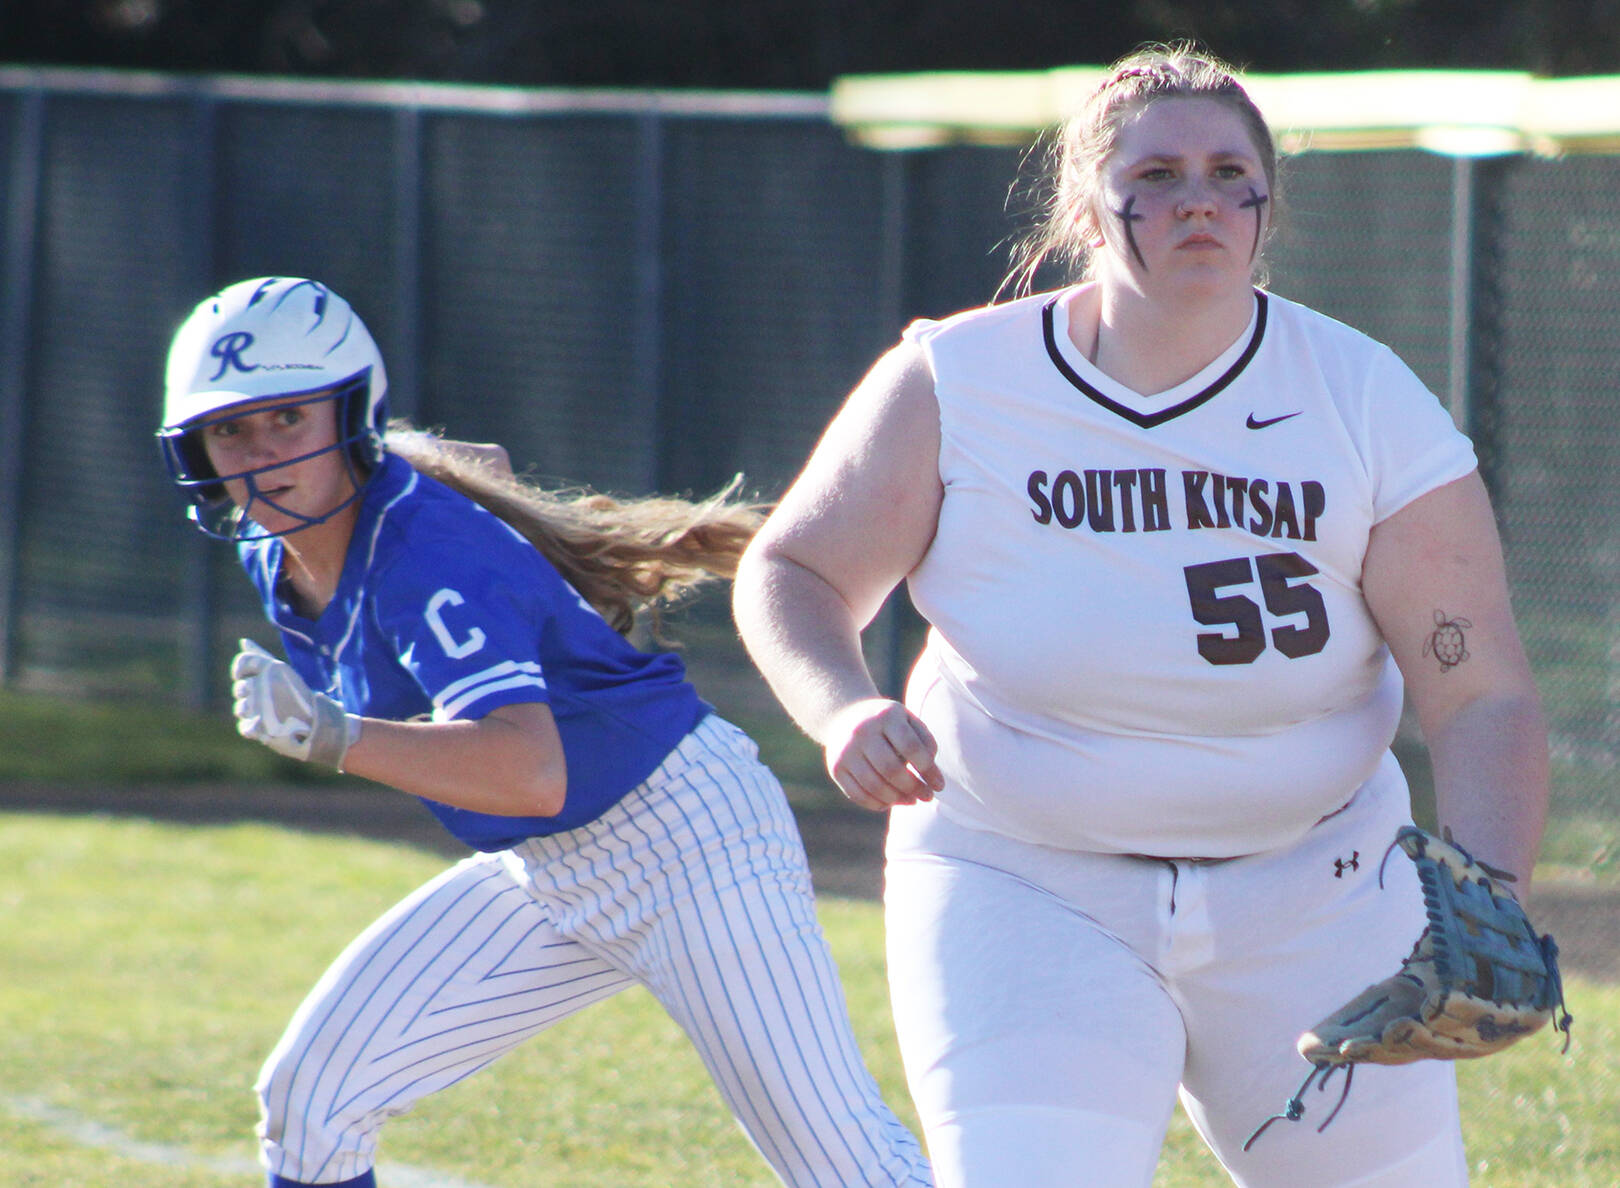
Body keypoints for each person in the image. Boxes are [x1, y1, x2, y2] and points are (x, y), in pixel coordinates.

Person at [731, 43, 1550, 1188]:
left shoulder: (1364, 401)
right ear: (1085, 204)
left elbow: (1481, 689)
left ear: (1269, 206)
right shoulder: (960, 380)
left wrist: (1488, 895)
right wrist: (840, 708)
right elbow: (795, 571)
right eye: (1156, 174)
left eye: (1227, 172)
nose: (1197, 200)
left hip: (1320, 885)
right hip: (1026, 877)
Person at [157, 275, 932, 1188]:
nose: (260, 452)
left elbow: (531, 773)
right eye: (231, 429)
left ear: (348, 413)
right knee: (310, 1096)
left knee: (846, 1167)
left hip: (687, 843)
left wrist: (336, 734)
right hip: (544, 871)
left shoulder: (423, 555)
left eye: (289, 418)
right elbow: (467, 458)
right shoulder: (275, 541)